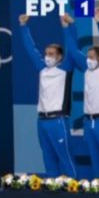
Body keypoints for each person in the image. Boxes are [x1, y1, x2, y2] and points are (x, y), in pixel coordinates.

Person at [62, 8, 99, 181]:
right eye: (87, 56)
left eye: (92, 57)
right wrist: (67, 27)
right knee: (96, 163)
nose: (88, 59)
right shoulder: (87, 70)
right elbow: (73, 50)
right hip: (89, 123)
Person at [18, 13, 77, 178]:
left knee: (65, 157)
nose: (47, 57)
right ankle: (52, 188)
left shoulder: (65, 68)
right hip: (41, 121)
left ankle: (73, 189)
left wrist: (70, 26)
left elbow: (72, 46)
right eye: (46, 53)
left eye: (51, 54)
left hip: (58, 120)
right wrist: (23, 27)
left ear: (60, 57)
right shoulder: (42, 69)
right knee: (48, 158)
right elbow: (31, 49)